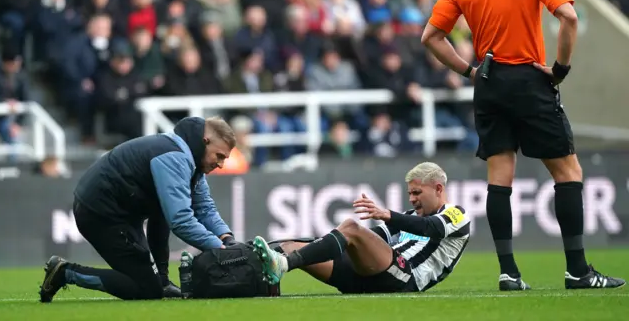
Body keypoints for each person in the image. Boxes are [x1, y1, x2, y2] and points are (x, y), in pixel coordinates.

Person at [419, 0, 625, 291]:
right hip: (529, 80)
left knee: (500, 177)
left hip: (489, 82)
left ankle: (508, 273)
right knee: (568, 171)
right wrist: (560, 70)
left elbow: (430, 37)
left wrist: (469, 71)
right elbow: (569, 16)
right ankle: (577, 271)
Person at [39, 116, 239, 302]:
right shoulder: (175, 158)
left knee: (162, 212)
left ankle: (163, 281)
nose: (221, 164)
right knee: (146, 289)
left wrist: (226, 239)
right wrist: (217, 248)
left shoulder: (189, 160)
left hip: (119, 212)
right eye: (219, 156)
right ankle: (65, 272)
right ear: (205, 141)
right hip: (100, 212)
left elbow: (204, 208)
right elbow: (181, 221)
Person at [252, 162, 470, 294]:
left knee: (352, 227)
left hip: (406, 278)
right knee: (289, 246)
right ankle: (267, 283)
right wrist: (326, 243)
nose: (412, 199)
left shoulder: (457, 214)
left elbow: (430, 228)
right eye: (409, 194)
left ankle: (283, 265)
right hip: (369, 275)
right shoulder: (409, 217)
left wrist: (388, 215)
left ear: (438, 188)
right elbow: (371, 238)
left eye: (417, 193)